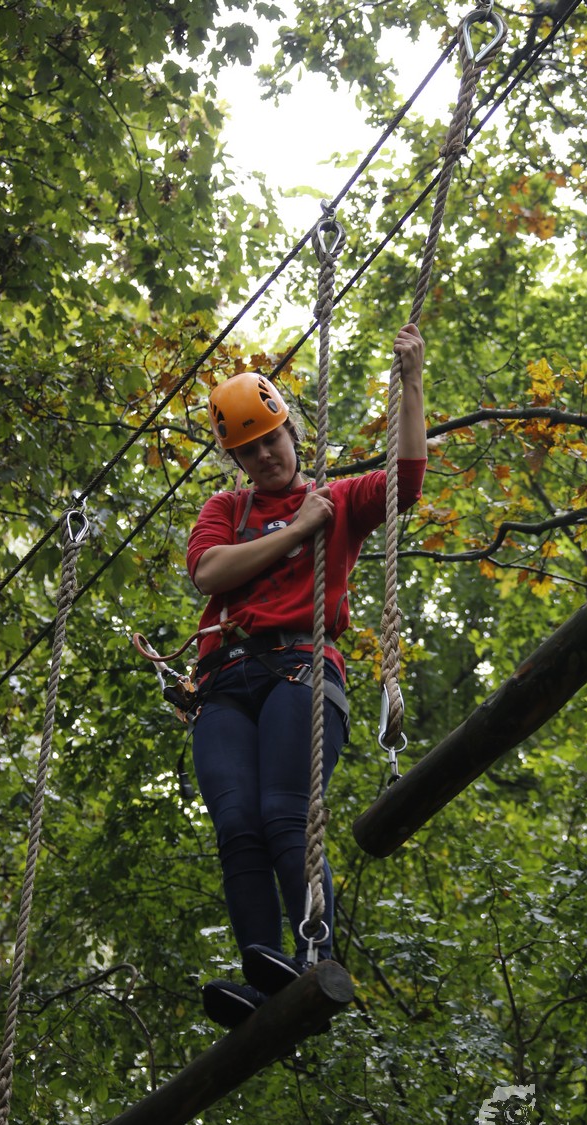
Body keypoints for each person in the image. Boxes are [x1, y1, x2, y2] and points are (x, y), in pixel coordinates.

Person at [186, 323, 427, 1028]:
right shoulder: (227, 510)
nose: (264, 455)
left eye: (271, 439)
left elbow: (407, 481)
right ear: (236, 459)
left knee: (282, 814)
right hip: (224, 682)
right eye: (248, 449)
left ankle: (311, 953)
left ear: (292, 433)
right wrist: (296, 531)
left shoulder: (341, 499)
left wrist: (412, 383)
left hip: (299, 667)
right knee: (237, 826)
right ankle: (263, 975)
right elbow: (209, 571)